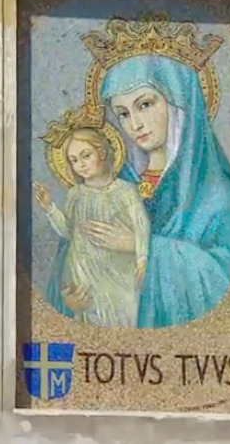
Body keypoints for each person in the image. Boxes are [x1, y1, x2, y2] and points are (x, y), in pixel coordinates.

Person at [45, 55, 230, 329]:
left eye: (145, 105)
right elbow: (71, 254)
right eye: (123, 114)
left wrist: (143, 247)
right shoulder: (108, 187)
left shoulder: (221, 196)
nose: (135, 124)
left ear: (180, 105)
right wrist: (70, 294)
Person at [34, 127, 150, 327]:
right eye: (74, 160)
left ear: (102, 153)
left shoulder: (125, 192)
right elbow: (69, 232)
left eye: (85, 156)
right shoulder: (76, 195)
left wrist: (142, 256)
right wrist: (49, 208)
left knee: (121, 320)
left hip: (118, 273)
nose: (80, 165)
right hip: (85, 273)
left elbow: (141, 225)